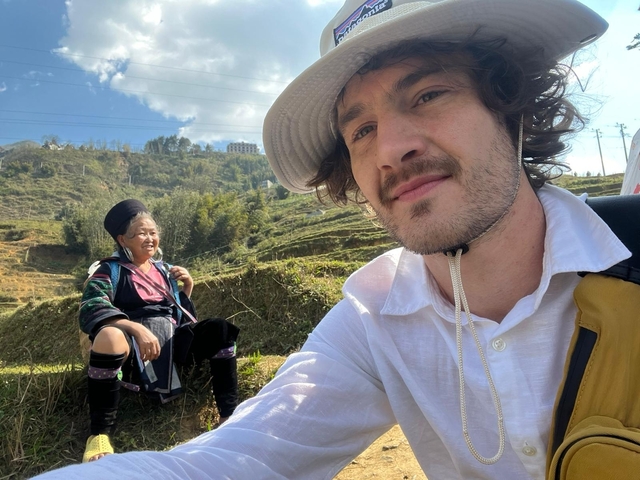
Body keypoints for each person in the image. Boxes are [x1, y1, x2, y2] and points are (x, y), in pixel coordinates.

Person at [35, 0, 630, 478]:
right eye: (362, 130)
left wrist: (180, 296)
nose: (391, 148)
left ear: (510, 108)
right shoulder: (375, 317)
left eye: (428, 95)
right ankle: (101, 427)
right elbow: (241, 458)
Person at [78, 199, 239, 463]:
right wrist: (134, 328)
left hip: (169, 343)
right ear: (122, 239)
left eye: (153, 232)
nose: (150, 238)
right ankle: (99, 434)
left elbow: (180, 316)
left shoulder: (164, 271)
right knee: (109, 335)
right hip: (132, 350)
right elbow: (91, 306)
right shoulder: (109, 270)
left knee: (220, 330)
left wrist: (187, 288)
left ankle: (228, 416)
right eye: (141, 233)